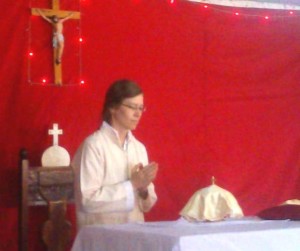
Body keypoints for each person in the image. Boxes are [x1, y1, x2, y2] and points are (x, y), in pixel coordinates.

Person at [72, 79, 159, 229]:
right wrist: (132, 184)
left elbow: (146, 206)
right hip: (103, 239)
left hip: (134, 235)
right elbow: (87, 200)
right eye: (132, 107)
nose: (138, 114)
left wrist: (143, 190)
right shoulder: (93, 146)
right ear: (113, 107)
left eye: (141, 108)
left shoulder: (139, 148)